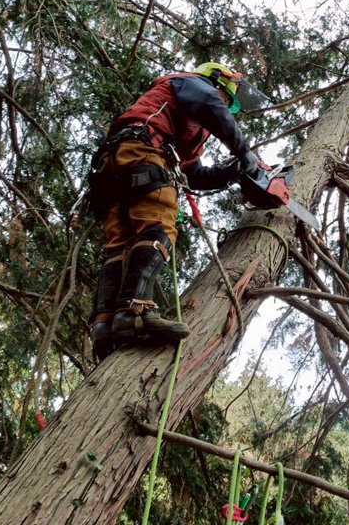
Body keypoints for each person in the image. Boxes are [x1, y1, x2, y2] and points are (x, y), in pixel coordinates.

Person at [86, 62, 270, 360]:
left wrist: (234, 172)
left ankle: (104, 324)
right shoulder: (192, 84)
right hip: (143, 151)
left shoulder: (184, 119)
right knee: (157, 229)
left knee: (120, 244)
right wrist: (244, 152)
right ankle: (135, 310)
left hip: (115, 162)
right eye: (226, 97)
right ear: (217, 81)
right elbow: (210, 104)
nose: (225, 105)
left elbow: (194, 174)